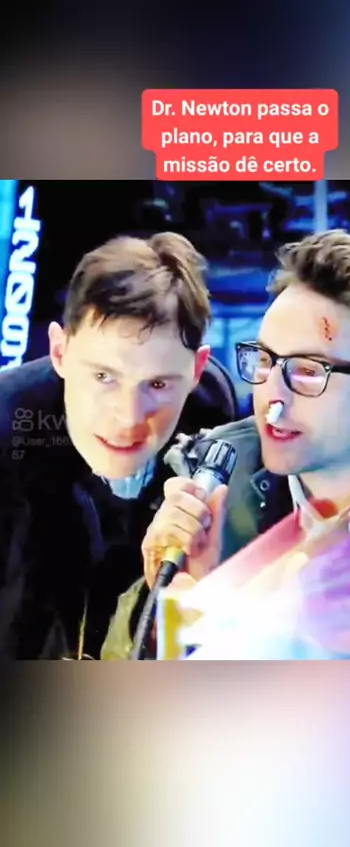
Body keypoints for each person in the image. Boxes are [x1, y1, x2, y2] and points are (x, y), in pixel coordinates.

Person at [103, 229, 350, 660]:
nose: (271, 397)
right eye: (264, 360)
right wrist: (164, 609)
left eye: (308, 371)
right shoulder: (215, 476)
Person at [0, 231, 238, 660]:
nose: (129, 418)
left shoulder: (214, 413)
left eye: (159, 385)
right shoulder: (7, 429)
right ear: (59, 352)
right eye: (103, 377)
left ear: (196, 370)